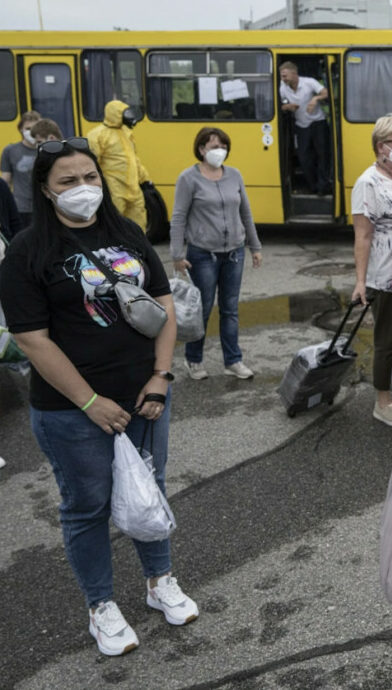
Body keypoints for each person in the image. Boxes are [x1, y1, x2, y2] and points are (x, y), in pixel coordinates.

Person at [0, 137, 198, 657]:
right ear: (44, 189)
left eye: (89, 177)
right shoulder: (27, 251)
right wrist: (89, 402)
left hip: (145, 396)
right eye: (67, 181)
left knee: (148, 490)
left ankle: (159, 582)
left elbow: (162, 304)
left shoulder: (126, 232)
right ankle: (101, 606)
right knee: (87, 506)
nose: (82, 189)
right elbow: (30, 339)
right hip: (70, 411)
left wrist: (161, 376)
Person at [170, 126, 263, 381]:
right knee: (201, 309)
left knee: (230, 309)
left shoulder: (234, 175)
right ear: (201, 149)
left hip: (234, 252)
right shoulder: (188, 178)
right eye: (213, 147)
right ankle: (194, 360)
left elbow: (245, 212)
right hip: (203, 254)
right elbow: (178, 218)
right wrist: (177, 254)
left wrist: (255, 247)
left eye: (223, 147)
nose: (219, 151)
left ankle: (233, 361)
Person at [351, 115, 392, 427]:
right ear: (381, 147)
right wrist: (361, 281)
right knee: (387, 341)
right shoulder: (368, 183)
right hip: (385, 277)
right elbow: (363, 236)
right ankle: (382, 401)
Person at [87, 100, 151, 231]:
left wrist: (144, 179)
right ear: (115, 115)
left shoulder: (126, 132)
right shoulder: (97, 135)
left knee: (138, 221)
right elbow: (92, 164)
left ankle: (138, 248)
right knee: (114, 221)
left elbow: (134, 159)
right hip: (114, 187)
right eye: (124, 113)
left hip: (133, 188)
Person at [279, 61, 332, 195]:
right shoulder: (282, 88)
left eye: (285, 75)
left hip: (318, 123)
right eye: (282, 76)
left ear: (294, 74)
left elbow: (326, 93)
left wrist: (315, 99)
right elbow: (281, 105)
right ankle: (313, 186)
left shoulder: (309, 82)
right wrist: (287, 107)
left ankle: (323, 186)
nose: (283, 78)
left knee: (323, 155)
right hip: (301, 126)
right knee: (304, 158)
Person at [1, 110, 41, 233]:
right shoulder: (10, 151)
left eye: (34, 128)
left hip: (42, 208)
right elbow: (5, 180)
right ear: (21, 130)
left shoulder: (46, 150)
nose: (31, 132)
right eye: (28, 128)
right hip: (21, 209)